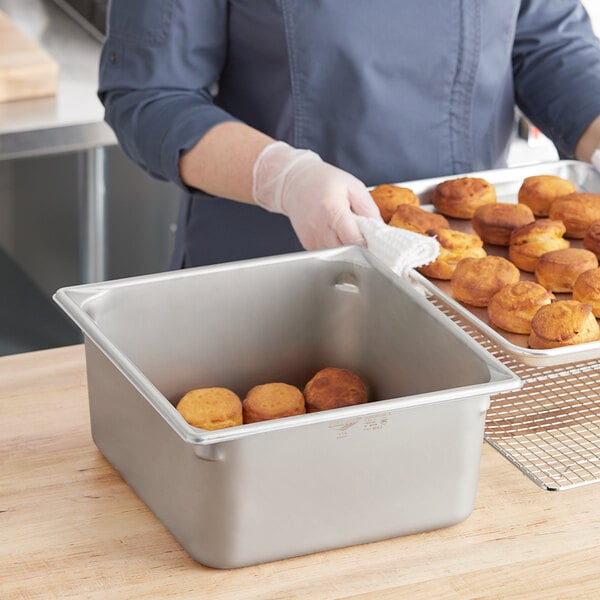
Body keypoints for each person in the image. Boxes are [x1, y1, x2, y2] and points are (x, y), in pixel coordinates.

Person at [98, 1, 600, 269]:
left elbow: (549, 44)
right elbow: (150, 93)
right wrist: (284, 178)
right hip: (272, 272)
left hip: (466, 283)